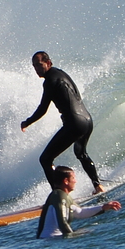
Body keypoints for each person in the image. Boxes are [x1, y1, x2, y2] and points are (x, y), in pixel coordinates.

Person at [21, 51, 103, 194]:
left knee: (45, 159)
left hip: (74, 123)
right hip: (87, 120)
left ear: (49, 63)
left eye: (39, 65)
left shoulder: (50, 81)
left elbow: (42, 109)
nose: (37, 69)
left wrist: (27, 122)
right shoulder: (61, 74)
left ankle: (58, 194)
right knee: (81, 153)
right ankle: (98, 186)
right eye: (34, 66)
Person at [35, 166, 122, 238]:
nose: (75, 181)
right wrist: (73, 239)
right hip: (51, 241)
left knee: (89, 232)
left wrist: (103, 207)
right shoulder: (59, 196)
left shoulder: (62, 196)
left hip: (54, 240)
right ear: (66, 181)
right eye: (73, 178)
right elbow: (62, 223)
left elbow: (80, 212)